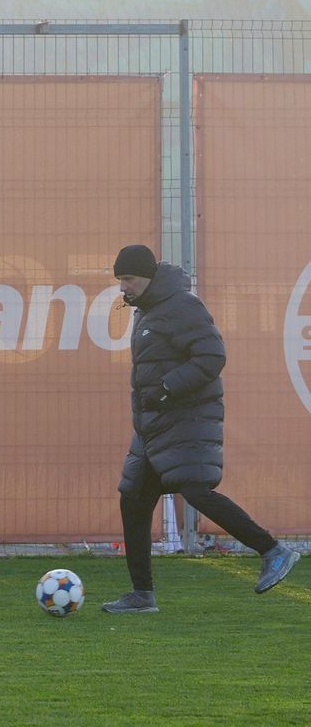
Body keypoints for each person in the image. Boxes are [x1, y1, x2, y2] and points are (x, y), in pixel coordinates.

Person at [102, 244, 300, 614]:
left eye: (127, 279)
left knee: (195, 491)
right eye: (120, 281)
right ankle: (142, 595)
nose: (122, 288)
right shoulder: (147, 310)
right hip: (153, 428)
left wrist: (167, 387)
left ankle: (273, 551)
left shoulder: (181, 307)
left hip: (186, 422)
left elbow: (212, 356)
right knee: (133, 500)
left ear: (146, 276)